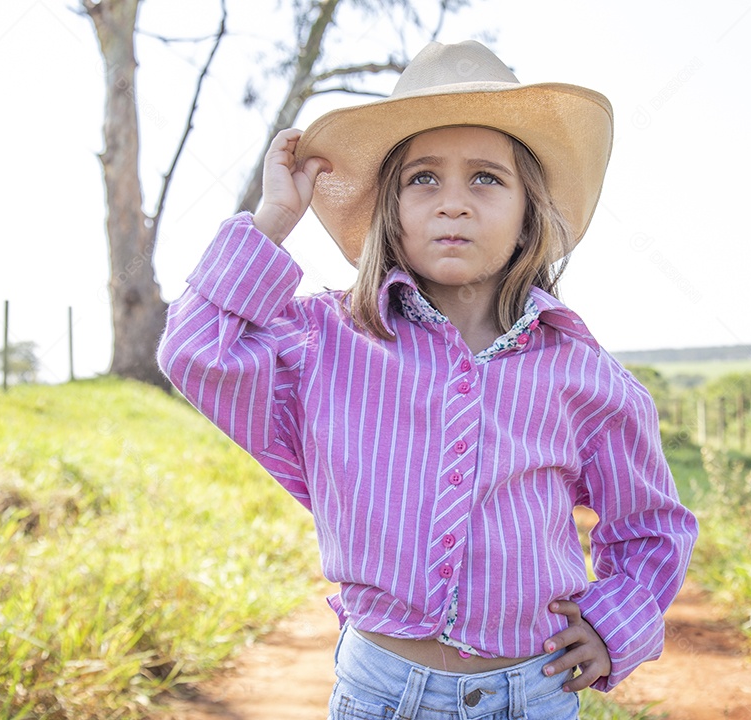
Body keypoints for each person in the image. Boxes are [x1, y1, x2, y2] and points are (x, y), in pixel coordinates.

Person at [158, 40, 698, 719]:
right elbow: (195, 351)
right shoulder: (325, 340)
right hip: (378, 692)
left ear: (529, 210)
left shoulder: (581, 373)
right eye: (423, 179)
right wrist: (274, 220)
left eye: (485, 178)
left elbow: (651, 526)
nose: (453, 203)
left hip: (532, 695)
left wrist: (615, 624)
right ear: (391, 208)